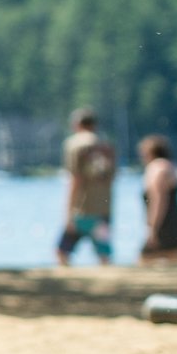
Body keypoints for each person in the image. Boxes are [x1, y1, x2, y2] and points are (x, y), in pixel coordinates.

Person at [56, 108, 116, 266]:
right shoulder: (106, 145)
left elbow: (75, 179)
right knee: (104, 254)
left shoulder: (74, 144)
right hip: (103, 209)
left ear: (76, 124)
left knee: (62, 252)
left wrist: (68, 212)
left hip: (81, 210)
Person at [139, 134, 177, 263]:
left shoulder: (157, 168)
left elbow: (158, 201)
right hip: (176, 222)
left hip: (164, 225)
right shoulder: (171, 166)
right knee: (176, 265)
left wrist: (153, 229)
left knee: (144, 260)